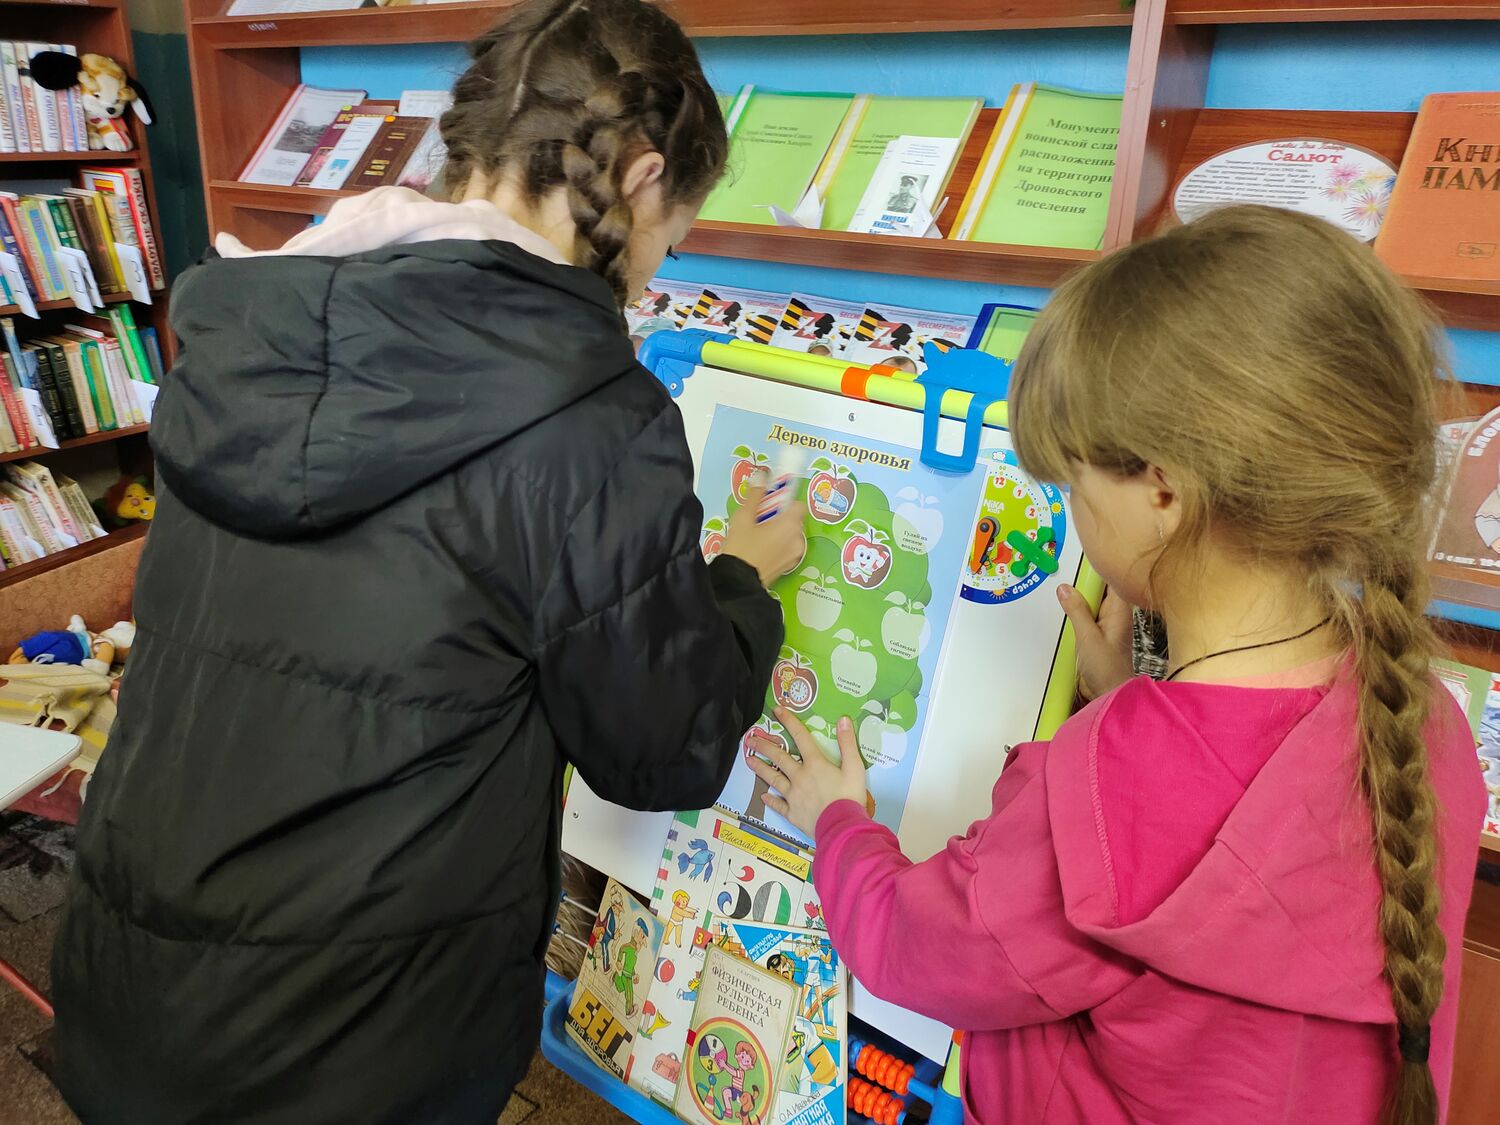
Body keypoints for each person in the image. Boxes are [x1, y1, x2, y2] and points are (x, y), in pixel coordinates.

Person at [51, 1, 803, 1121]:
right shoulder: (592, 415)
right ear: (642, 177)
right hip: (355, 1040)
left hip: (130, 980)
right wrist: (735, 581)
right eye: (672, 239)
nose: (654, 272)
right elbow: (665, 751)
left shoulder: (253, 326)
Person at [748, 205, 1487, 1123]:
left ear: (1163, 491)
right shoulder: (1425, 715)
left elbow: (910, 943)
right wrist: (1138, 698)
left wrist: (838, 822)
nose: (1073, 508)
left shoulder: (1099, 790)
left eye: (1073, 482)